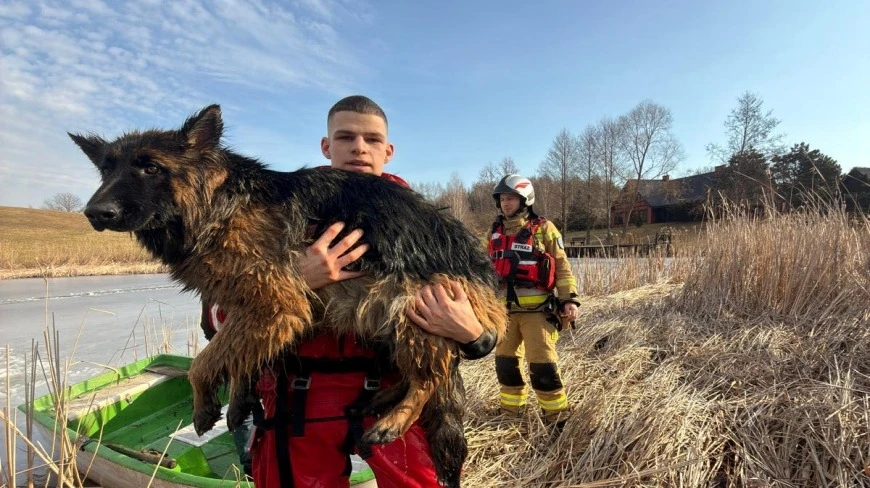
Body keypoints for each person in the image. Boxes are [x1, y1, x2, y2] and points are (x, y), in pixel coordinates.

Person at [200, 95, 496, 487]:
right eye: (346, 137)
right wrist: (295, 281)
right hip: (300, 397)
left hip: (390, 389)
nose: (359, 147)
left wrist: (474, 334)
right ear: (326, 146)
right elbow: (217, 317)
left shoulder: (426, 225)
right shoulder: (280, 209)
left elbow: (482, 317)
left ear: (388, 151)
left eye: (372, 140)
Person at [488, 174, 580, 423]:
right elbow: (485, 271)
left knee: (542, 366)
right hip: (503, 314)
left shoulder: (544, 229)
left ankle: (556, 418)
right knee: (505, 365)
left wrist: (569, 299)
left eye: (511, 198)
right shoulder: (494, 232)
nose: (506, 203)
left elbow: (561, 266)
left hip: (538, 313)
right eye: (503, 199)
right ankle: (510, 414)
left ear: (525, 199)